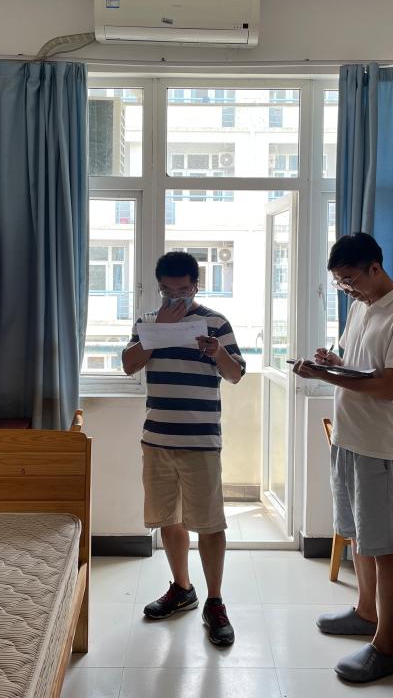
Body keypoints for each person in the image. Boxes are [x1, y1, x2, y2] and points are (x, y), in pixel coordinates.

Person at [293, 232, 393, 684]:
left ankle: (385, 647)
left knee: (383, 545)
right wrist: (331, 361)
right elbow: (357, 363)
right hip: (349, 437)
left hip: (379, 445)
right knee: (356, 535)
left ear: (375, 268)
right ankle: (365, 610)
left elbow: (388, 387)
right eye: (340, 283)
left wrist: (327, 377)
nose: (347, 289)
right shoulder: (361, 306)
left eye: (350, 280)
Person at [122, 250, 246, 647]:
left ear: (196, 286)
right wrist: (157, 331)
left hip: (201, 441)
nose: (174, 298)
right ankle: (182, 588)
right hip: (157, 438)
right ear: (159, 287)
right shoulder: (148, 321)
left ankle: (215, 601)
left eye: (182, 291)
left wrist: (217, 351)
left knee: (209, 523)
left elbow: (236, 374)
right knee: (168, 518)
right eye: (167, 291)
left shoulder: (215, 322)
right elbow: (128, 365)